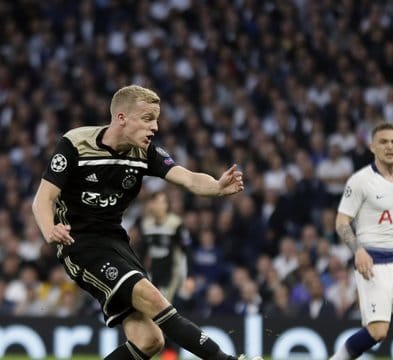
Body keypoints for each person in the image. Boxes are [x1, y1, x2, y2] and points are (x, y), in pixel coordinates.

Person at [32, 85, 261, 360]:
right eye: (147, 118)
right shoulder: (75, 144)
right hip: (79, 243)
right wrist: (50, 229)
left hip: (117, 242)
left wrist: (215, 186)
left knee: (150, 340)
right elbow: (43, 199)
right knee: (152, 298)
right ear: (121, 118)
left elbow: (186, 177)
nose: (155, 127)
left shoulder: (145, 154)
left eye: (157, 119)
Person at [329, 123, 393, 360]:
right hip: (372, 262)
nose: (390, 146)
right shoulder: (360, 181)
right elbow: (341, 221)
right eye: (384, 142)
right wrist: (358, 251)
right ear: (372, 147)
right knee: (378, 332)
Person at [139, 191, 191, 304]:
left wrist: (189, 276)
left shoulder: (175, 224)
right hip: (152, 270)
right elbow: (142, 251)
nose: (159, 206)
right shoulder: (146, 224)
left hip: (171, 271)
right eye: (156, 202)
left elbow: (187, 249)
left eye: (162, 202)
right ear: (151, 204)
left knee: (163, 304)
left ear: (167, 205)